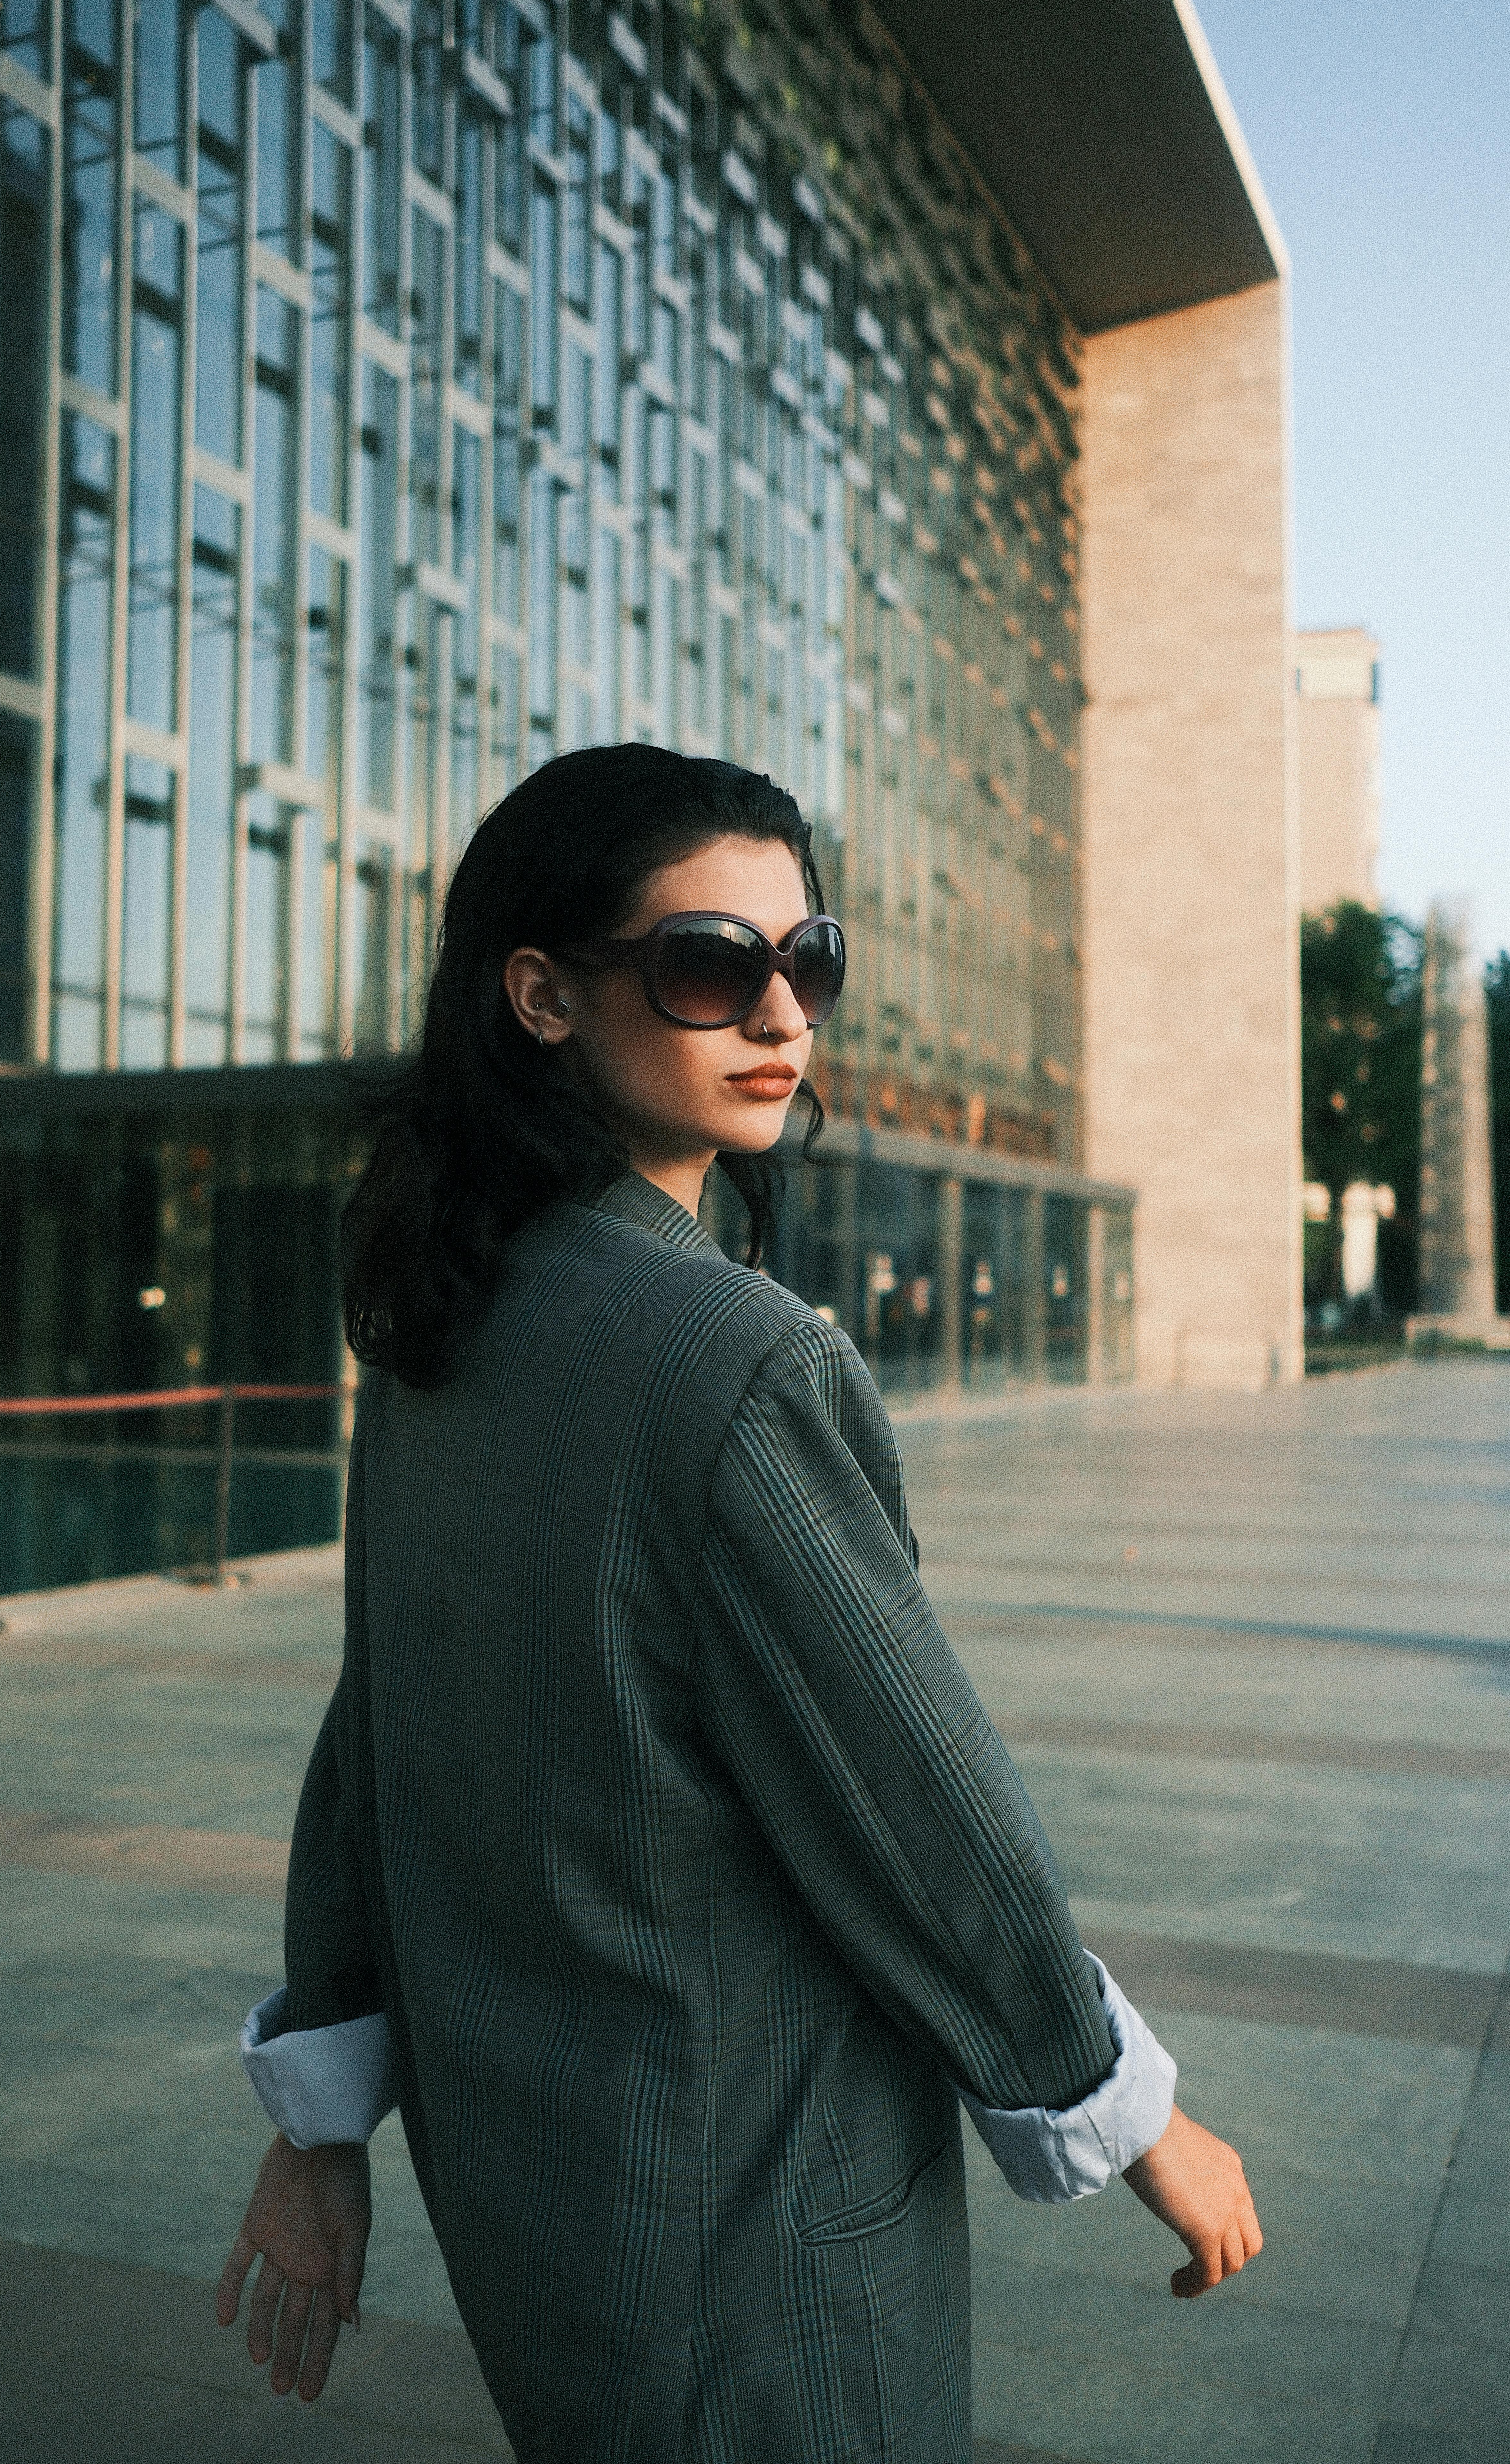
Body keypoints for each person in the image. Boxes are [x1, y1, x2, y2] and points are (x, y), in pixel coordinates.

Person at [216, 746, 1260, 2460]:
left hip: (543, 2211)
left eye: (808, 960)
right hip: (767, 2234)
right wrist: (1127, 2112)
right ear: (543, 996)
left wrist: (322, 2119)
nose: (780, 1014)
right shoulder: (734, 1360)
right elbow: (912, 1799)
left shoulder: (440, 1332)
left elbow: (372, 1745)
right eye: (709, 963)